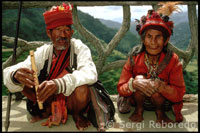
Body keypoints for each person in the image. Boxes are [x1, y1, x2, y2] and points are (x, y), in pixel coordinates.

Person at [3, 3, 98, 130]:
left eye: (66, 30)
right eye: (58, 30)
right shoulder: (43, 52)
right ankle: (47, 109)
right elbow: (8, 72)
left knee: (82, 88)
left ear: (72, 32)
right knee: (24, 77)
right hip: (47, 98)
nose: (63, 35)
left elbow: (90, 72)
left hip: (72, 99)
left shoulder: (79, 48)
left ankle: (77, 114)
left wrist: (59, 84)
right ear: (49, 33)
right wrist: (15, 75)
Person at [117, 2, 185, 124]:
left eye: (158, 37)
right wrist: (134, 84)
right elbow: (121, 88)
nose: (153, 42)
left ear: (166, 40)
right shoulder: (134, 57)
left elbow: (179, 94)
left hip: (164, 102)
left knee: (158, 84)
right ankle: (139, 110)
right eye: (149, 36)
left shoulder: (172, 60)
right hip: (138, 100)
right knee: (138, 78)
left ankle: (160, 113)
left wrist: (161, 86)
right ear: (143, 39)